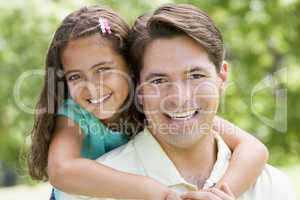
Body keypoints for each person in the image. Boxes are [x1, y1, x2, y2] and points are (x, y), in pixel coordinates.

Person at [28, 5, 270, 200]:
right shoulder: (75, 114)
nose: (92, 87)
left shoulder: (159, 106)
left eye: (103, 70)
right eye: (75, 76)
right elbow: (61, 171)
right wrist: (155, 191)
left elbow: (254, 148)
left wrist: (221, 193)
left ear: (132, 70)